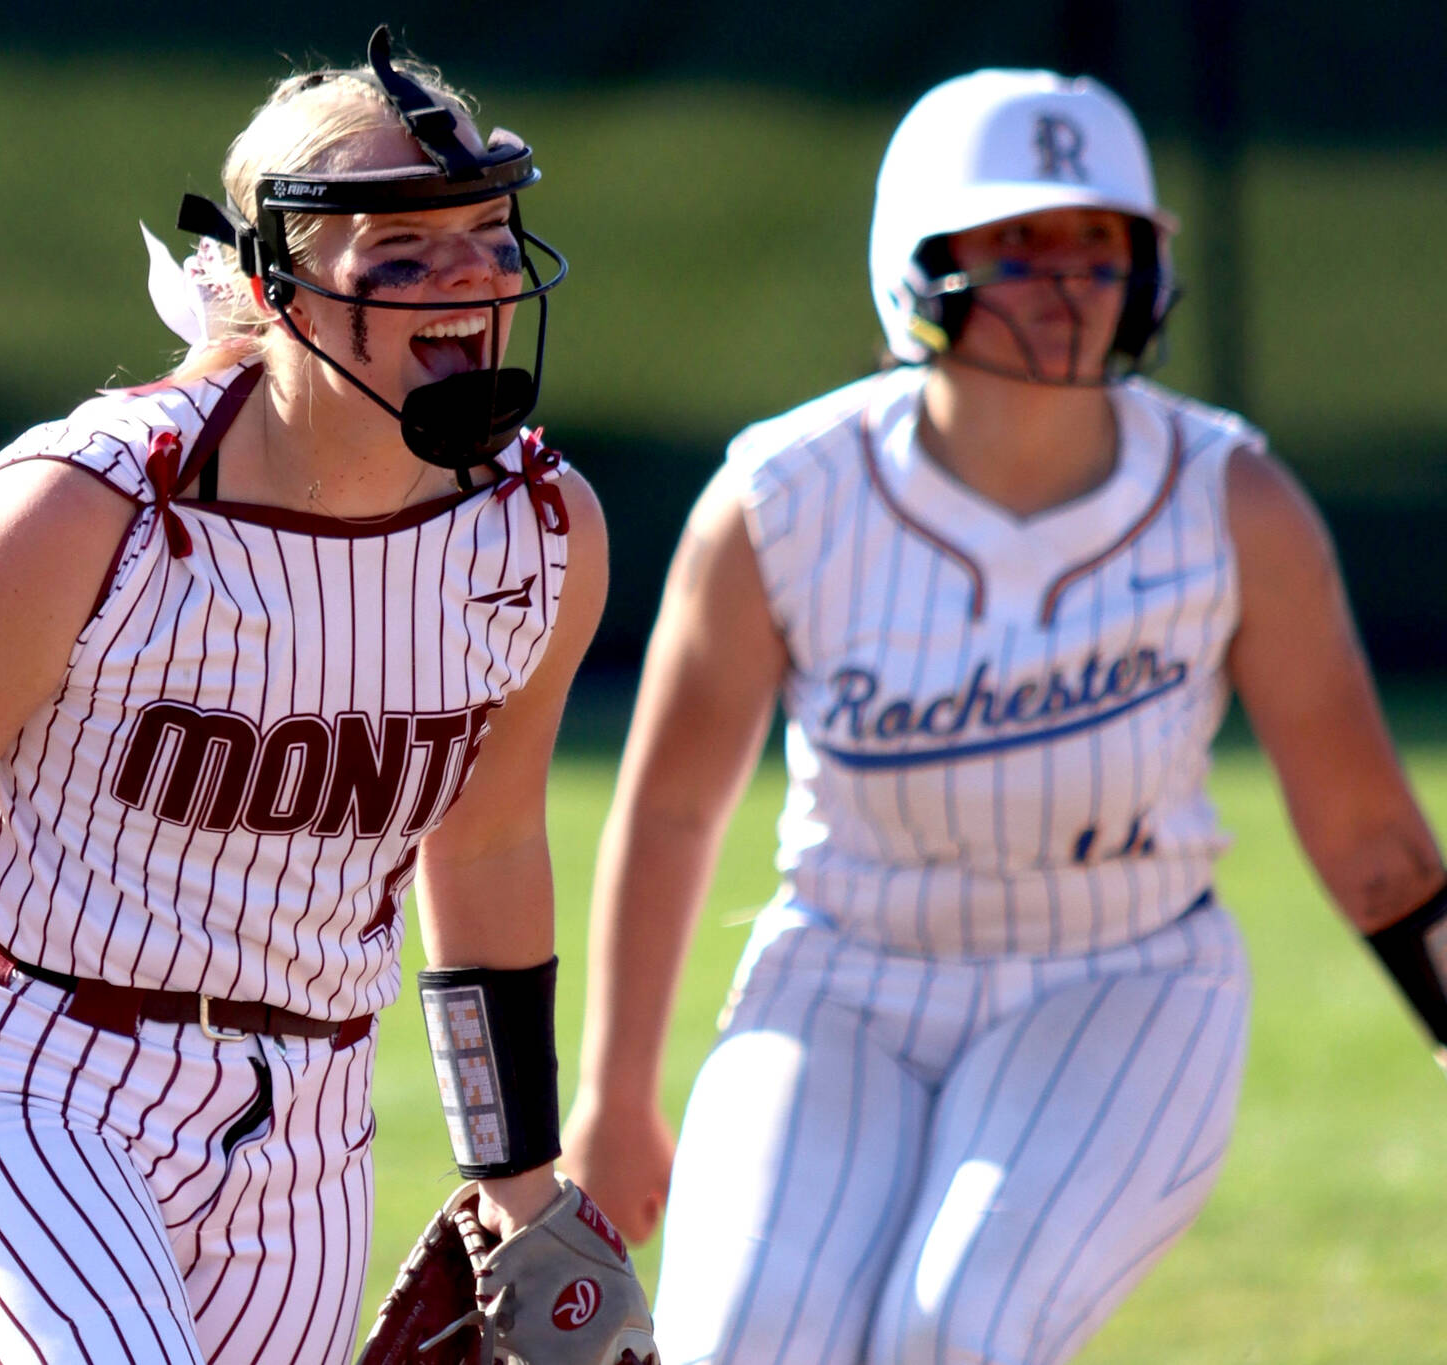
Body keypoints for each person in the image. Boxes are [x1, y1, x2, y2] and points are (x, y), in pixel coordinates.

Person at [0, 28, 614, 1363]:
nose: (467, 279)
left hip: (310, 1116)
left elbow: (482, 848)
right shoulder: (85, 510)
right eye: (402, 254)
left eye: (485, 233)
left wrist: (520, 1179)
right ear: (278, 285)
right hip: (26, 1070)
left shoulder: (537, 530)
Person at [560, 68, 1447, 1365]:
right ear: (916, 265)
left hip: (1123, 979)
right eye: (1019, 244)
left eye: (1100, 245)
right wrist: (615, 1091)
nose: (1067, 282)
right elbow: (677, 804)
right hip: (842, 976)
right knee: (745, 1338)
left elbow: (1375, 837)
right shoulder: (784, 498)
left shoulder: (1230, 500)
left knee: (958, 1321)